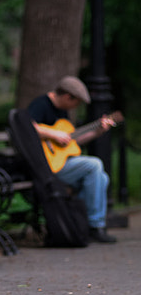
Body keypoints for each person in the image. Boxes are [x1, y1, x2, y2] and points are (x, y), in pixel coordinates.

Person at [27, 76, 118, 244]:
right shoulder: (41, 104)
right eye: (77, 102)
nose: (76, 107)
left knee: (101, 178)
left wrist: (98, 131)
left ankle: (81, 225)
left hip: (62, 162)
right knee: (94, 164)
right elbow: (25, 127)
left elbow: (71, 142)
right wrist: (52, 134)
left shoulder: (62, 111)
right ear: (68, 97)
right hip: (46, 166)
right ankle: (94, 226)